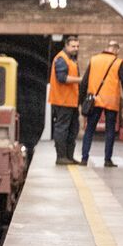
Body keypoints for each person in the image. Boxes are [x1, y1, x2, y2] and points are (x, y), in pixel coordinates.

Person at [78, 40, 123, 167]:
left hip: (94, 100)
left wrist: (81, 101)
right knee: (110, 131)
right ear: (117, 50)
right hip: (111, 101)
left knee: (89, 129)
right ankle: (107, 160)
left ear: (107, 48)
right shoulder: (118, 62)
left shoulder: (94, 59)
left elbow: (84, 81)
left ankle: (84, 158)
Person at [49, 34, 82, 165]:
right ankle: (61, 156)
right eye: (73, 46)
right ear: (66, 46)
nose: (76, 48)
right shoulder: (61, 59)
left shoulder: (71, 60)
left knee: (73, 128)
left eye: (77, 46)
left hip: (71, 101)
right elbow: (62, 78)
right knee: (62, 128)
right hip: (62, 101)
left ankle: (69, 156)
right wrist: (80, 80)